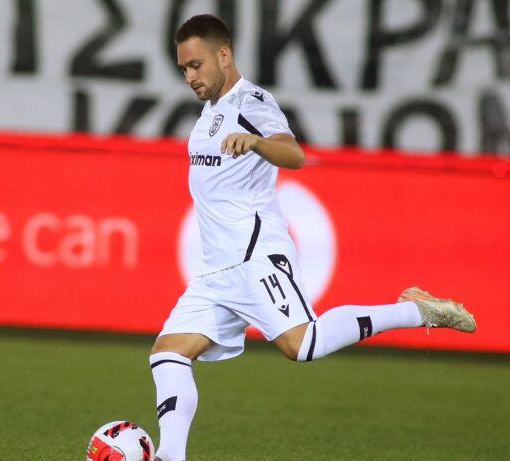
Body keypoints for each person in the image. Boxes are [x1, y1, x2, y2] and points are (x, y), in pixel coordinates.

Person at [149, 14, 476, 461]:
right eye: (184, 68)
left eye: (196, 65)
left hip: (255, 257)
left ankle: (416, 311)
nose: (190, 77)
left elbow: (294, 154)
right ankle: (170, 455)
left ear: (223, 55)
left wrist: (256, 142)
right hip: (215, 271)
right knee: (167, 354)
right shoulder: (210, 113)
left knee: (302, 345)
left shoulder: (252, 102)